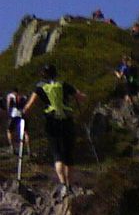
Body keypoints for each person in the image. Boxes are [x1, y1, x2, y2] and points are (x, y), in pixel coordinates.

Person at [21, 64, 87, 197]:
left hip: (52, 123)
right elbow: (81, 97)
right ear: (55, 73)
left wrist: (23, 113)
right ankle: (69, 185)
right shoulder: (63, 84)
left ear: (43, 74)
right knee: (68, 154)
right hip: (66, 121)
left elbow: (29, 106)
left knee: (57, 153)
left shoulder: (40, 87)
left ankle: (63, 185)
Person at [5, 88, 30, 155]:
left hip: (14, 114)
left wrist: (8, 112)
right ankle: (28, 149)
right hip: (22, 113)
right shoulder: (23, 96)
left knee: (9, 131)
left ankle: (12, 148)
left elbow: (8, 105)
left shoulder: (10, 96)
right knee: (25, 132)